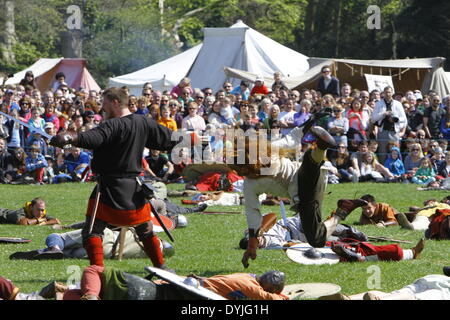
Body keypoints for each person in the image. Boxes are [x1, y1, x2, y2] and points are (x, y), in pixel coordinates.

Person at [50, 87, 187, 270]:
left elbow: (91, 138)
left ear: (115, 102)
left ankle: (97, 270)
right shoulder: (142, 122)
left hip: (108, 188)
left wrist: (69, 137)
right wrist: (192, 139)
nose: (102, 108)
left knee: (92, 232)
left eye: (105, 104)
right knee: (145, 230)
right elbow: (168, 138)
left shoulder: (112, 125)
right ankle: (161, 267)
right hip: (134, 188)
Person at [228, 122, 367, 267]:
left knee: (305, 177)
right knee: (316, 240)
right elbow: (292, 137)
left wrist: (252, 243)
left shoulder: (253, 179)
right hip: (309, 184)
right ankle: (319, 153)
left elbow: (253, 213)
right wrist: (311, 121)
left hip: (307, 186)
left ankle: (319, 149)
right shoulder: (260, 166)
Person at [62, 265, 289, 300]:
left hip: (180, 290)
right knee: (72, 295)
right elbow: (270, 298)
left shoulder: (246, 279)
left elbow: (267, 299)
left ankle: (91, 296)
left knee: (95, 269)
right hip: (184, 290)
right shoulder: (247, 284)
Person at [371, 86, 407, 163]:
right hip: (382, 131)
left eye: (389, 92)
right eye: (386, 92)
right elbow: (373, 118)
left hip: (394, 132)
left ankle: (395, 170)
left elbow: (404, 119)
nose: (387, 94)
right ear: (383, 93)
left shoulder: (398, 104)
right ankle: (383, 172)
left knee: (395, 153)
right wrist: (383, 114)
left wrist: (395, 119)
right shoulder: (378, 104)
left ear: (392, 93)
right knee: (382, 154)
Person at [330, 238, 424, 263]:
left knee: (391, 250)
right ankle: (412, 253)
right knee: (394, 251)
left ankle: (412, 252)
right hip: (356, 253)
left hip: (352, 249)